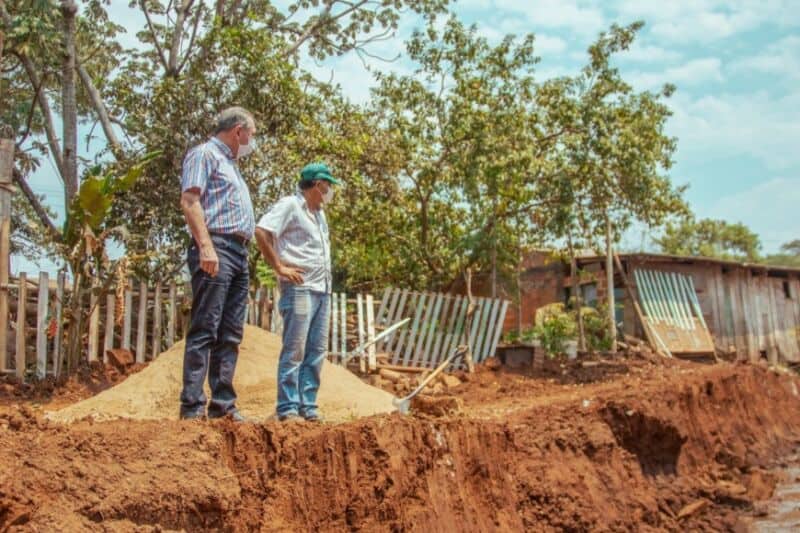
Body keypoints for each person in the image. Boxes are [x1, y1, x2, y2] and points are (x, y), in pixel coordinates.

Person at [178, 107, 257, 421]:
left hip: (239, 252)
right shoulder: (204, 155)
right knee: (205, 328)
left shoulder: (232, 165)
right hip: (217, 246)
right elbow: (190, 200)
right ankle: (192, 406)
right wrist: (206, 246)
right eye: (250, 134)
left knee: (230, 333)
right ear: (238, 131)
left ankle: (223, 406)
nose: (252, 141)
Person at [255, 163, 339, 422]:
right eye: (328, 185)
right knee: (295, 349)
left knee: (316, 350)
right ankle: (288, 407)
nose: (330, 191)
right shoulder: (290, 205)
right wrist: (278, 266)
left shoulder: (319, 214)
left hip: (322, 290)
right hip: (300, 288)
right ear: (317, 184)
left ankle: (308, 406)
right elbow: (261, 231)